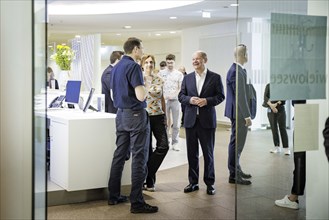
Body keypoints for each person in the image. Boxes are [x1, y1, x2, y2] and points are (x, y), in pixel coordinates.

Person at [108, 37, 158, 214]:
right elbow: (141, 96)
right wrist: (146, 85)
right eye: (142, 48)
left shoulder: (116, 67)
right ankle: (137, 202)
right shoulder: (134, 66)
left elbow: (114, 94)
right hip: (136, 115)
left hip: (121, 114)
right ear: (135, 49)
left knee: (119, 155)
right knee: (139, 157)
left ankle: (113, 195)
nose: (143, 51)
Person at [178, 50, 225, 195]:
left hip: (207, 122)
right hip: (191, 121)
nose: (195, 61)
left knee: (208, 154)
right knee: (192, 154)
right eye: (193, 59)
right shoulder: (187, 78)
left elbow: (220, 96)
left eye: (198, 59)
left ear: (205, 60)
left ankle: (210, 183)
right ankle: (193, 182)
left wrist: (207, 101)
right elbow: (181, 96)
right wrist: (189, 100)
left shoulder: (215, 77)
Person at [225, 44, 253, 185]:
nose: (248, 55)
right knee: (236, 144)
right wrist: (247, 116)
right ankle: (234, 174)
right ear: (243, 55)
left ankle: (237, 169)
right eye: (247, 53)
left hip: (238, 112)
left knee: (238, 143)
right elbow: (240, 95)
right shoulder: (236, 71)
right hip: (239, 113)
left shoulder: (239, 70)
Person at [141, 54, 169, 192]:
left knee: (163, 146)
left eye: (151, 62)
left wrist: (166, 116)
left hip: (158, 116)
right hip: (144, 116)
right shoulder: (138, 79)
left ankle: (147, 174)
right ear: (142, 64)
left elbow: (162, 98)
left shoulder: (159, 79)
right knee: (147, 149)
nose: (149, 64)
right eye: (146, 62)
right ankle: (149, 182)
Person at [275, 100, 306, 210]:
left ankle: (293, 198)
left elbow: (298, 100)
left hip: (305, 115)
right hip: (313, 114)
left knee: (300, 160)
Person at [159, 54, 183, 151]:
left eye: (171, 62)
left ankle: (175, 142)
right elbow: (158, 86)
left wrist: (174, 94)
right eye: (168, 62)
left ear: (174, 62)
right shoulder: (161, 73)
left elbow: (181, 88)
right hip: (164, 100)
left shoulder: (179, 74)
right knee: (164, 122)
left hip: (175, 100)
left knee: (176, 123)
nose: (169, 64)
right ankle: (165, 141)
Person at [263, 83, 291, 155]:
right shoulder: (268, 85)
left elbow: (284, 97)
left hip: (280, 109)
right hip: (270, 109)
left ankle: (286, 148)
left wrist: (275, 105)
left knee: (282, 128)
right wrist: (271, 106)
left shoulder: (283, 85)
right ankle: (277, 146)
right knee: (274, 128)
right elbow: (265, 97)